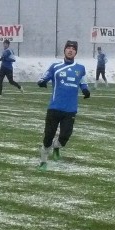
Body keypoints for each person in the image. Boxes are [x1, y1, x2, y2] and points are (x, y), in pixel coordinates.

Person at [36, 40, 90, 170]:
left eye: (73, 49)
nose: (70, 50)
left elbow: (83, 82)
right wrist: (42, 82)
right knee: (48, 136)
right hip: (55, 107)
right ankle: (43, 162)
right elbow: (44, 77)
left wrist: (86, 90)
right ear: (64, 50)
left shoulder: (80, 68)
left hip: (70, 109)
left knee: (65, 135)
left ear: (76, 52)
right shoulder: (55, 66)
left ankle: (57, 146)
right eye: (68, 48)